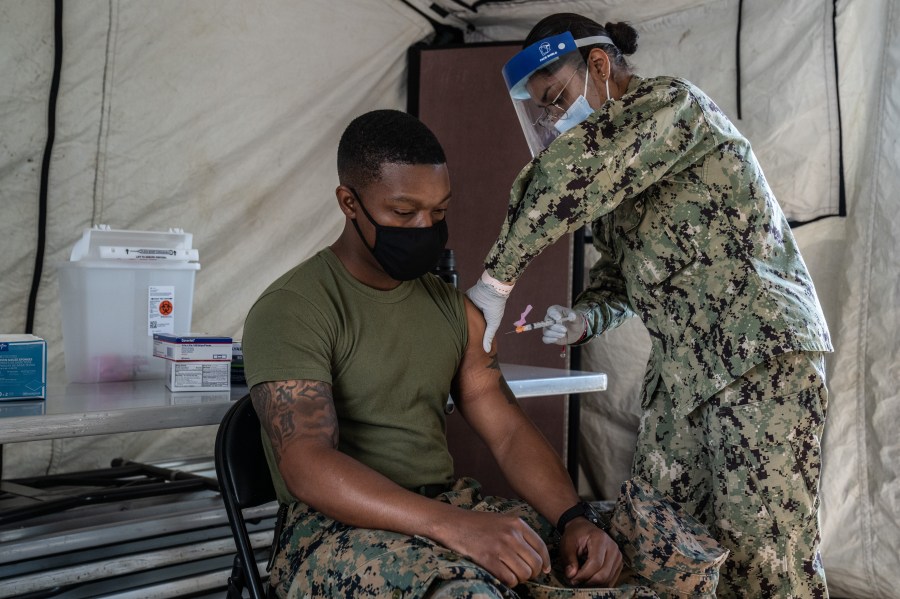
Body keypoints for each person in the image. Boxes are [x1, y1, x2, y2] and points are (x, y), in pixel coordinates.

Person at [464, 13, 833, 599]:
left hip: (757, 358)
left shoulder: (669, 107)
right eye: (545, 110)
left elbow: (568, 176)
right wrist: (586, 315)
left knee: (765, 560)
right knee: (661, 539)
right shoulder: (617, 169)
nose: (556, 121)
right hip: (684, 376)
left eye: (558, 98)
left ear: (601, 67)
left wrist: (496, 283)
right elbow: (623, 274)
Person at [242, 109, 626, 599]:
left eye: (439, 212)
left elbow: (507, 432)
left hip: (446, 508)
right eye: (404, 213)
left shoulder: (452, 310)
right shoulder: (294, 308)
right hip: (332, 532)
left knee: (634, 554)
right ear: (349, 203)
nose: (424, 227)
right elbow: (308, 464)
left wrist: (575, 519)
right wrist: (457, 528)